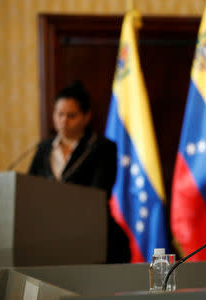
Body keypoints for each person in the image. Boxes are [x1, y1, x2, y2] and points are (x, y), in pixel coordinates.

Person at [29, 80, 130, 263]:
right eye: (59, 114)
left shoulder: (102, 148)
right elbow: (29, 189)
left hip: (92, 233)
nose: (63, 121)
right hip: (46, 236)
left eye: (71, 115)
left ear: (86, 116)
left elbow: (99, 192)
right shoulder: (44, 148)